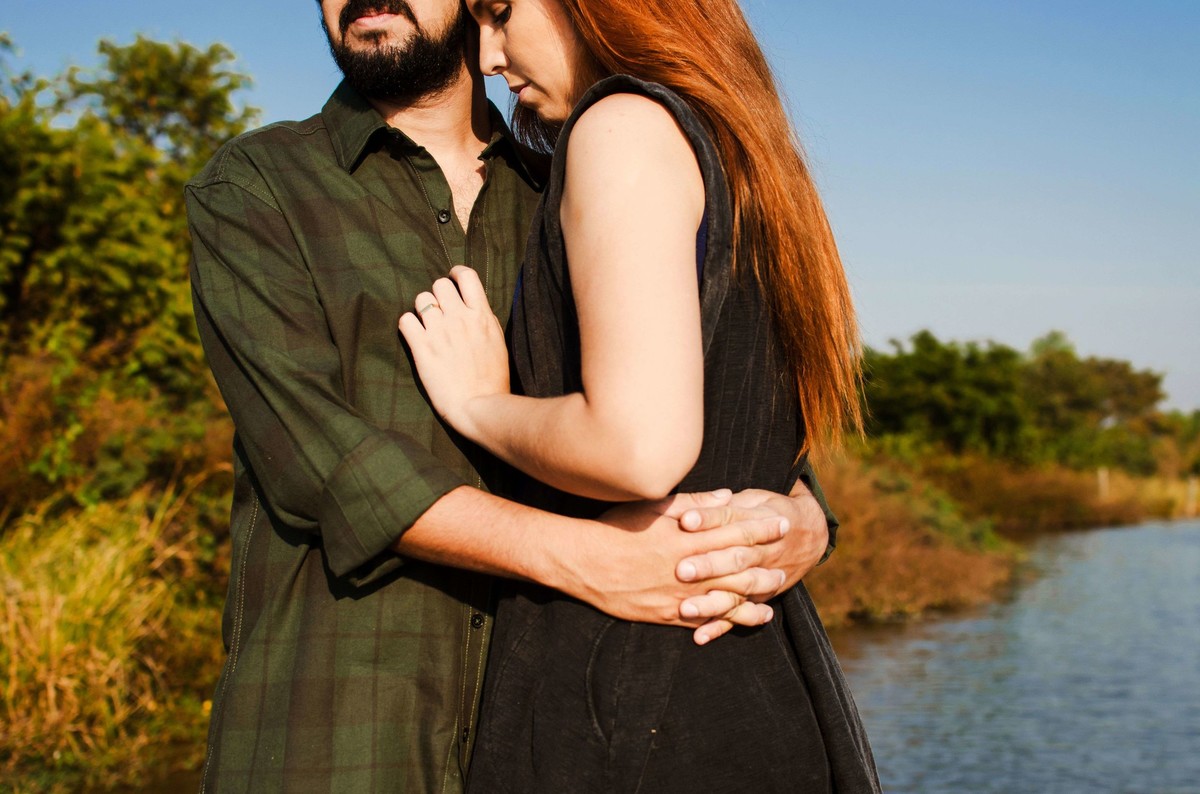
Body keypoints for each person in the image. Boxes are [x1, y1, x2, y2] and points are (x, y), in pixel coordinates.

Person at [186, 0, 839, 789]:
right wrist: (588, 559)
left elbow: (722, 385)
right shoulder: (256, 187)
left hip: (557, 728)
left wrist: (801, 516)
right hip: (340, 740)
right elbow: (325, 466)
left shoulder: (567, 182)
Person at [398, 0, 882, 791]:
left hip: (629, 699)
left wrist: (481, 405)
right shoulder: (743, 150)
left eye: (499, 13)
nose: (486, 56)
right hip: (761, 675)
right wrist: (804, 515)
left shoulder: (619, 126)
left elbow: (639, 447)